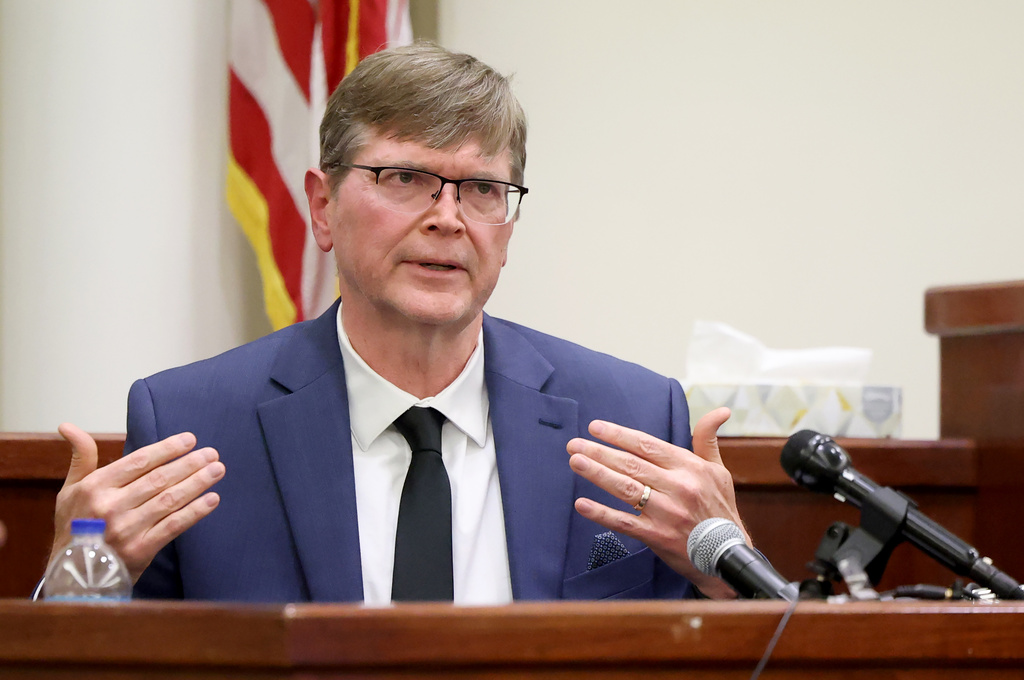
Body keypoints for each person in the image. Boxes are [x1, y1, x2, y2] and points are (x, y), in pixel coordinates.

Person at [48, 42, 748, 603]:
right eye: (404, 179)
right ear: (322, 208)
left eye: (481, 190)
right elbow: (102, 656)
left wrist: (728, 564)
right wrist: (85, 576)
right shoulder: (193, 422)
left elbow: (723, 650)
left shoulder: (628, 417)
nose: (447, 218)